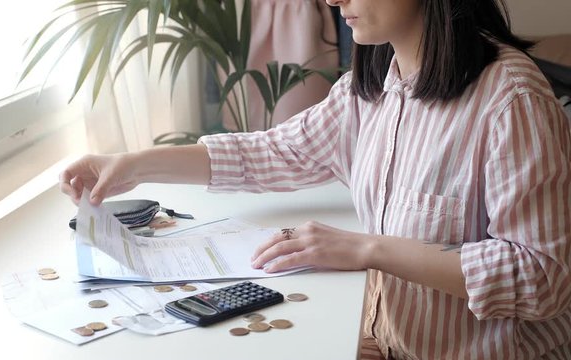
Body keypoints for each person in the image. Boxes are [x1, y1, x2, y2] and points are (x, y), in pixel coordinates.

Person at [60, 0, 571, 358]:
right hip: (386, 343)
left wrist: (367, 249)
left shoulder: (512, 99)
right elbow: (271, 152)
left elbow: (544, 277)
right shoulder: (371, 89)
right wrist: (130, 163)